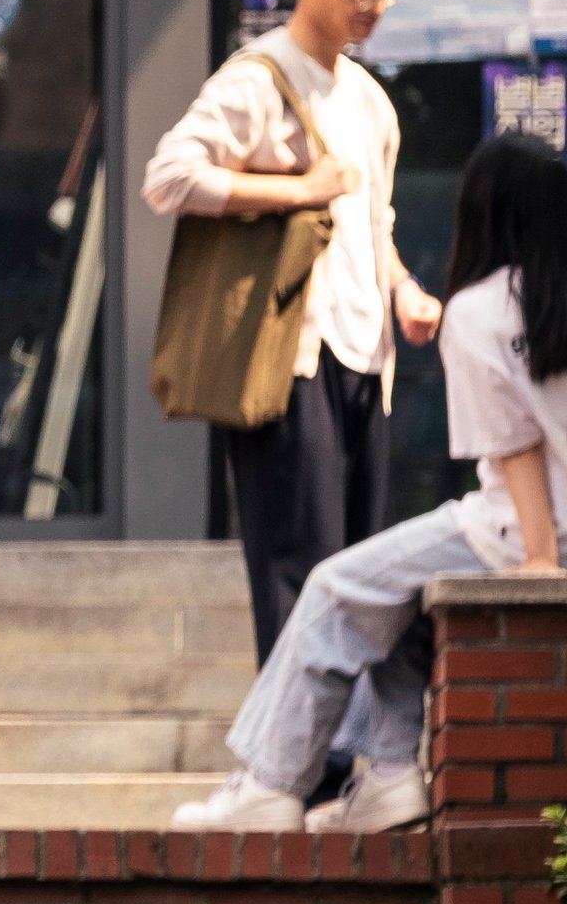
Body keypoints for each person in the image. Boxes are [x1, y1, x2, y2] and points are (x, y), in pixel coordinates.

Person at [172, 129, 567, 833]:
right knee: (395, 598)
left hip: (521, 528)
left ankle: (269, 783)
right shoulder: (549, 302)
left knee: (334, 587)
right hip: (522, 523)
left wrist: (539, 557)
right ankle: (388, 772)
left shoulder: (480, 310)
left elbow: (519, 448)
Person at [138, 0, 443, 706]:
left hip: (364, 354)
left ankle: (337, 754)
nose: (373, 3)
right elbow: (167, 177)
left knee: (353, 566)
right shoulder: (258, 80)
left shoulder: (371, 101)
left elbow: (372, 223)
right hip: (288, 354)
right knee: (295, 565)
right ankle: (292, 766)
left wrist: (406, 293)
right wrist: (296, 188)